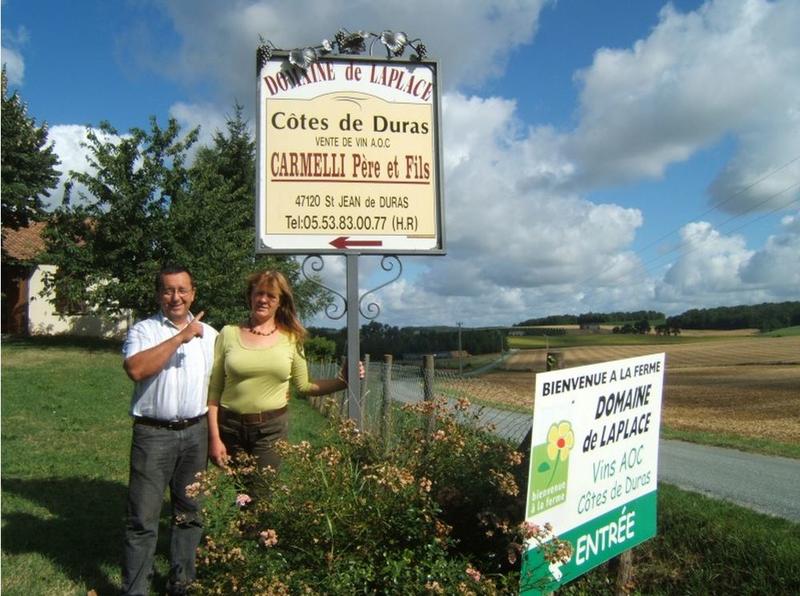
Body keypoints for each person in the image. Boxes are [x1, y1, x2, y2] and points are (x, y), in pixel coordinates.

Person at [121, 265, 218, 596]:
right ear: (158, 294)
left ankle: (182, 584)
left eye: (182, 290)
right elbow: (136, 369)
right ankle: (136, 591)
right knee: (143, 519)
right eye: (168, 290)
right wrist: (180, 337)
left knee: (190, 515)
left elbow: (224, 385)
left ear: (193, 293)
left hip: (196, 433)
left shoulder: (211, 335)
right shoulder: (144, 330)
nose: (175, 297)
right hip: (153, 435)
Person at [207, 269, 360, 473]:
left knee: (264, 494)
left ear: (281, 302)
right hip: (230, 428)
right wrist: (214, 438)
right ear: (250, 296)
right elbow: (214, 389)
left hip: (270, 430)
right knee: (240, 495)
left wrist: (342, 381)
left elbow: (304, 386)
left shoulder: (292, 338)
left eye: (271, 296)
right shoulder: (228, 333)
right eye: (258, 293)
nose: (263, 299)